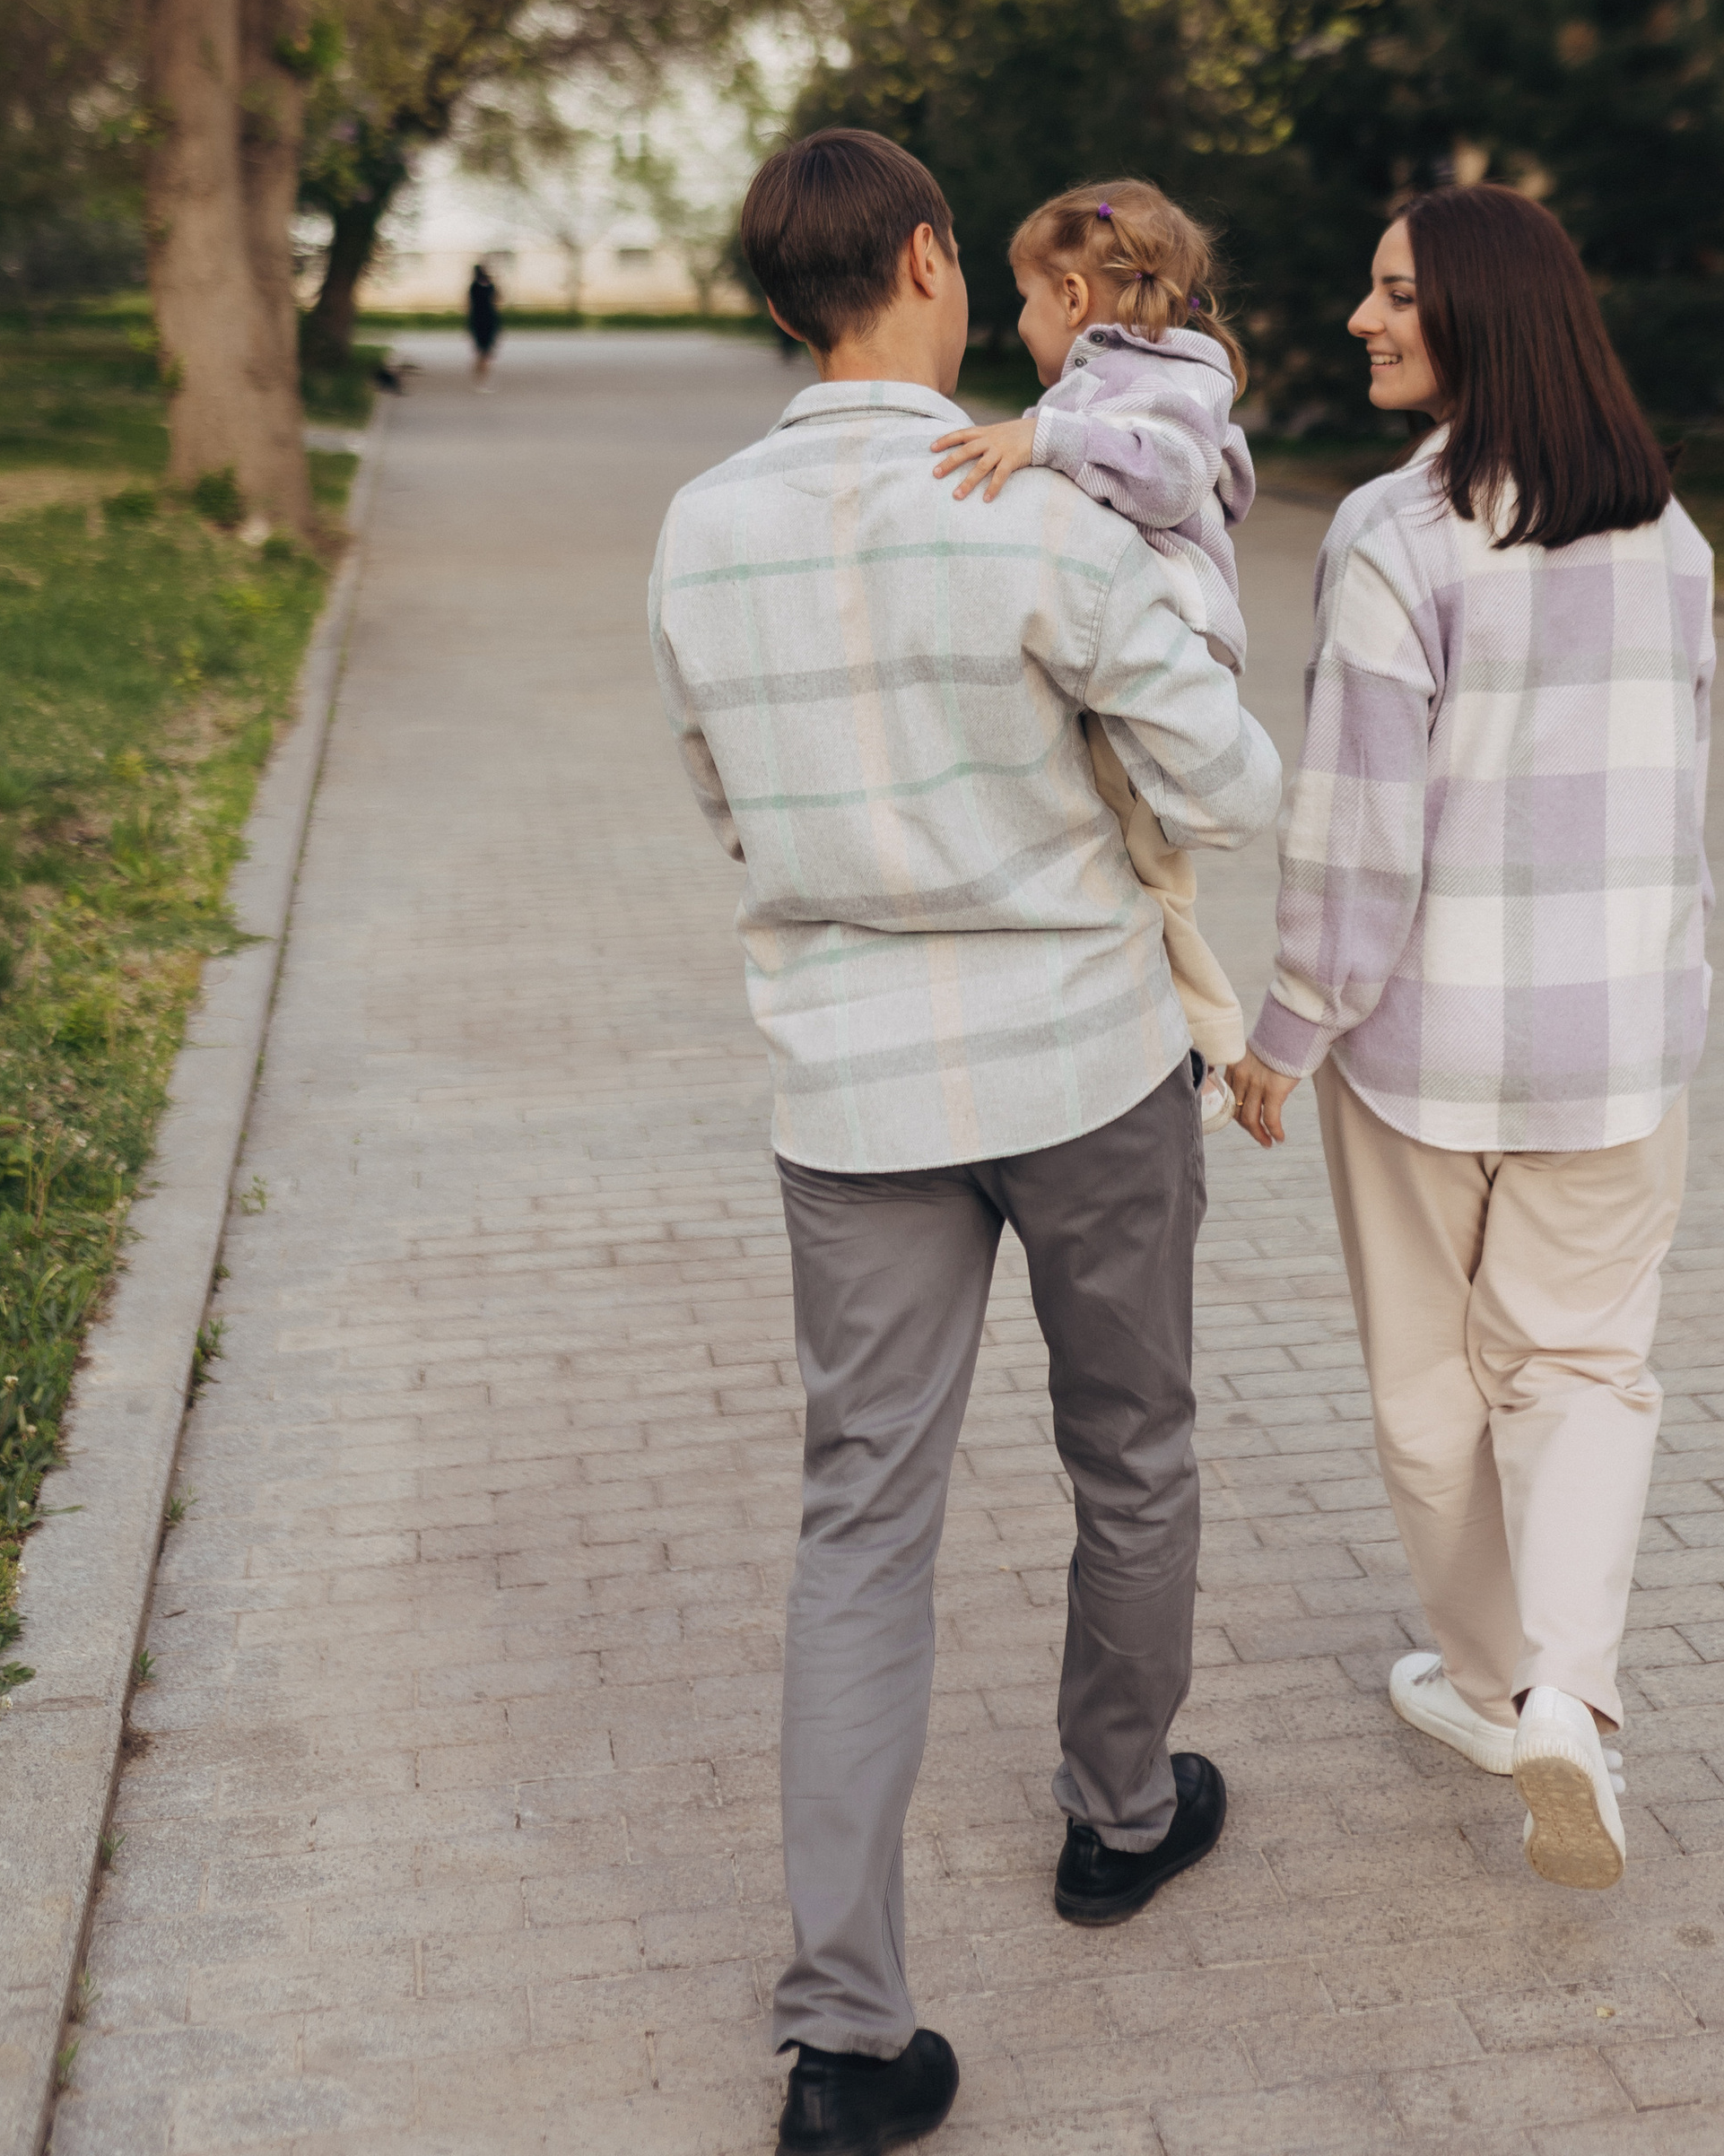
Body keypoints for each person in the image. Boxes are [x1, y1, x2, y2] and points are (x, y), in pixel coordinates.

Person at [648, 130, 1282, 2154]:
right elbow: (1235, 781)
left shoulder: (696, 530)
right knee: (1135, 1450)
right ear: (929, 255)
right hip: (1082, 1060)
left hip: (846, 1089)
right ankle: (1118, 1817)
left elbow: (724, 801)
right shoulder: (1038, 515)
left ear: (773, 300)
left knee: (858, 1532)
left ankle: (844, 2041)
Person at [1227, 185, 1713, 1893]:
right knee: (1583, 1370)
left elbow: (1355, 826)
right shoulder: (1671, 537)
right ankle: (1572, 1697)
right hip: (1618, 1052)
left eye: (1396, 296)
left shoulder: (1396, 535)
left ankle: (1503, 1683)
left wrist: (1286, 1029)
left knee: (1437, 1394)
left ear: (1485, 318)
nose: (1364, 320)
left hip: (1426, 1054)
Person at [929, 178, 1254, 1126]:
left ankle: (1208, 1052)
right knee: (1128, 862)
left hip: (1166, 648)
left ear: (1072, 299)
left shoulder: (1159, 378)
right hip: (1131, 647)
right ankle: (1188, 1044)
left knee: (1147, 873)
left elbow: (1169, 476)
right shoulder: (1119, 375)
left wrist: (1048, 438)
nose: (1018, 322)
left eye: (1026, 298)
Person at [466, 259, 501, 390]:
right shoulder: (477, 287)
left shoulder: (478, 287)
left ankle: (480, 380)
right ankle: (481, 381)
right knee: (484, 352)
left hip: (485, 321)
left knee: (484, 352)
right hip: (482, 321)